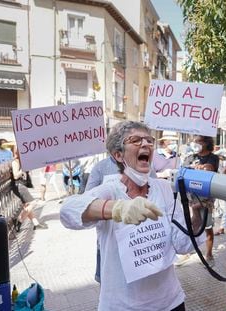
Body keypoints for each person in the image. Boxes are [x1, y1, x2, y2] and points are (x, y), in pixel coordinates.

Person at [60, 121, 204, 311]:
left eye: (149, 141)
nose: (145, 144)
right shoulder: (109, 190)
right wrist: (118, 209)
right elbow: (67, 211)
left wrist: (197, 216)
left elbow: (182, 245)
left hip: (171, 302)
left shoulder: (163, 188)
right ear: (118, 155)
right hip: (123, 306)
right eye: (135, 140)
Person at [182, 135, 219, 267]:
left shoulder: (213, 158)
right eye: (194, 141)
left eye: (198, 141)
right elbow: (183, 172)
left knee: (208, 226)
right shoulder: (190, 158)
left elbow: (212, 170)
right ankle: (188, 249)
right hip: (193, 197)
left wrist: (206, 167)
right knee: (194, 224)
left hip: (206, 197)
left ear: (206, 143)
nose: (195, 143)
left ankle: (209, 254)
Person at [11, 147, 48, 231]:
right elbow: (15, 175)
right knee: (33, 203)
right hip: (18, 185)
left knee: (27, 206)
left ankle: (36, 223)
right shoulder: (15, 162)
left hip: (22, 185)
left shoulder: (22, 161)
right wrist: (23, 169)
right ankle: (18, 220)